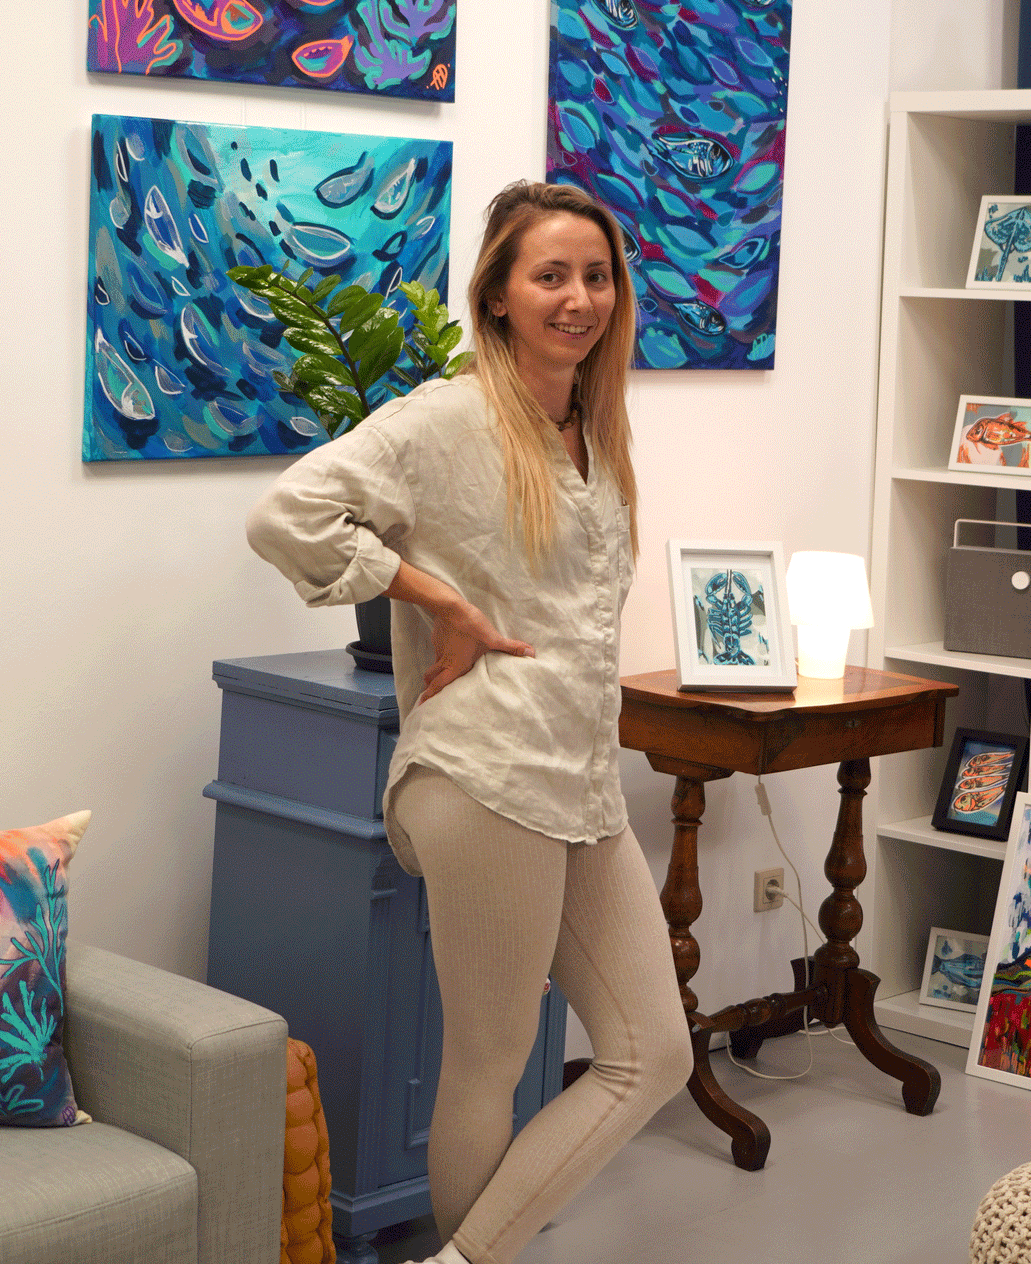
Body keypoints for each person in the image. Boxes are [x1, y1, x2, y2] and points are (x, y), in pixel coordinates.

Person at [246, 181, 694, 1264]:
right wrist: (436, 598)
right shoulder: (446, 420)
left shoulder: (595, 428)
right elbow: (286, 515)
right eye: (551, 276)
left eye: (597, 276)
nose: (578, 298)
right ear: (497, 294)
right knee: (490, 1062)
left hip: (578, 775)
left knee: (653, 1052)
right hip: (485, 771)